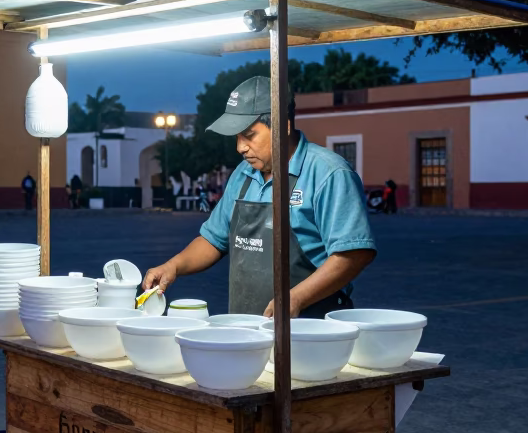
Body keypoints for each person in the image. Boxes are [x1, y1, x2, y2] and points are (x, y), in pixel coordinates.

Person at [143, 75, 377, 318]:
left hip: (312, 327)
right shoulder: (242, 174)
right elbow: (213, 239)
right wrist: (174, 266)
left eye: (249, 135)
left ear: (282, 126)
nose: (240, 147)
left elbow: (354, 254)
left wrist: (296, 297)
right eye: (236, 137)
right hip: (247, 328)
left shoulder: (328, 173)